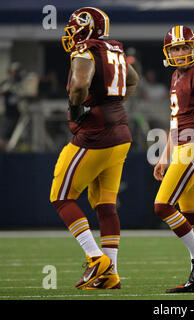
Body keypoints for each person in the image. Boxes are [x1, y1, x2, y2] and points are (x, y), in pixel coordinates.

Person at [50, 7, 139, 289]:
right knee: (105, 206)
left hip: (95, 135)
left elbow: (79, 84)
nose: (70, 32)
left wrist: (76, 108)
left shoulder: (85, 51)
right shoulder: (113, 49)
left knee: (61, 197)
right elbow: (133, 80)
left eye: (73, 27)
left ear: (85, 28)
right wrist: (113, 106)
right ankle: (110, 273)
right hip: (121, 133)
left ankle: (94, 258)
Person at [153, 25, 194, 293]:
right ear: (168, 52)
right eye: (175, 48)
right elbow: (175, 122)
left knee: (162, 206)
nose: (180, 53)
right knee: (192, 215)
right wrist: (164, 155)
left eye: (184, 47)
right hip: (182, 146)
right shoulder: (175, 77)